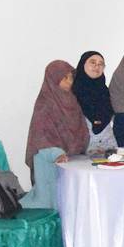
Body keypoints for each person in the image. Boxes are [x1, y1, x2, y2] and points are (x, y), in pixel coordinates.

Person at [22, 60, 89, 209]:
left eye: (71, 77)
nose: (69, 81)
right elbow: (41, 137)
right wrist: (57, 154)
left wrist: (87, 147)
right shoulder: (45, 103)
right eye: (64, 78)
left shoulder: (72, 101)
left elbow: (81, 129)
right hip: (48, 160)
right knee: (49, 203)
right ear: (53, 79)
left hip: (70, 159)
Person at [72, 51, 116, 155]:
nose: (97, 66)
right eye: (93, 62)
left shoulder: (105, 91)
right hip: (83, 148)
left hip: (109, 145)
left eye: (101, 64)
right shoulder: (73, 92)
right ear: (83, 64)